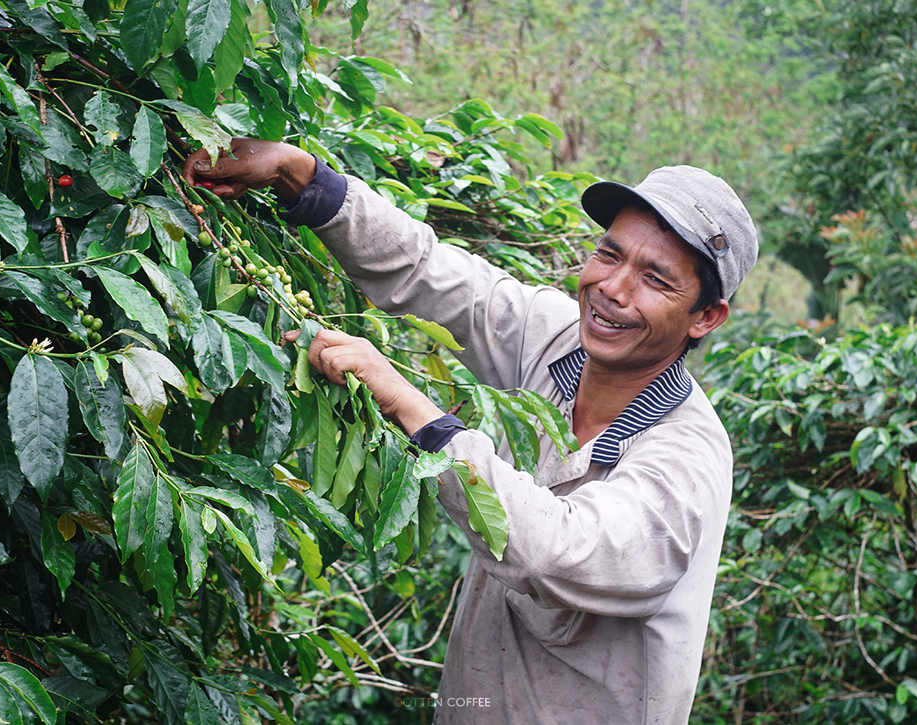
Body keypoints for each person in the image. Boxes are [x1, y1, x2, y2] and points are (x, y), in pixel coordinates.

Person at [184, 139, 758, 725]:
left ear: (705, 316)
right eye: (609, 255)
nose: (613, 288)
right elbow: (429, 272)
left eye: (656, 279)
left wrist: (414, 409)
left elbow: (557, 551)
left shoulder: (688, 458)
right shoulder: (555, 342)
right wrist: (300, 174)